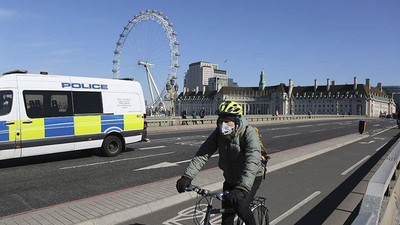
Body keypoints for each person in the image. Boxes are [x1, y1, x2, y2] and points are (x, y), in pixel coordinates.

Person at [176, 101, 264, 225]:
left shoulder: (248, 133)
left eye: (227, 121)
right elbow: (203, 154)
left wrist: (242, 188)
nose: (224, 125)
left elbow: (252, 161)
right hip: (230, 179)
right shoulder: (218, 133)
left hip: (251, 178)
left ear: (237, 122)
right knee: (226, 219)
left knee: (241, 207)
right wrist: (186, 177)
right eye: (221, 121)